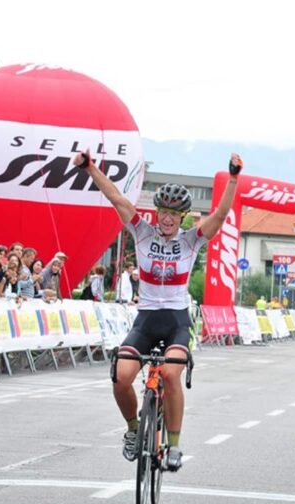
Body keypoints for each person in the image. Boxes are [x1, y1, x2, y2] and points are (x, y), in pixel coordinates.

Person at [75, 149, 243, 472]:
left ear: (182, 218)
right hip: (146, 320)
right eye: (163, 212)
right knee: (121, 377)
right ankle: (133, 429)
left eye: (173, 214)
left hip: (177, 321)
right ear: (157, 213)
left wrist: (233, 178)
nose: (167, 219)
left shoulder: (191, 240)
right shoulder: (141, 232)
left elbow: (221, 215)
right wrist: (90, 167)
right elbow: (115, 197)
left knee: (169, 373)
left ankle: (175, 445)